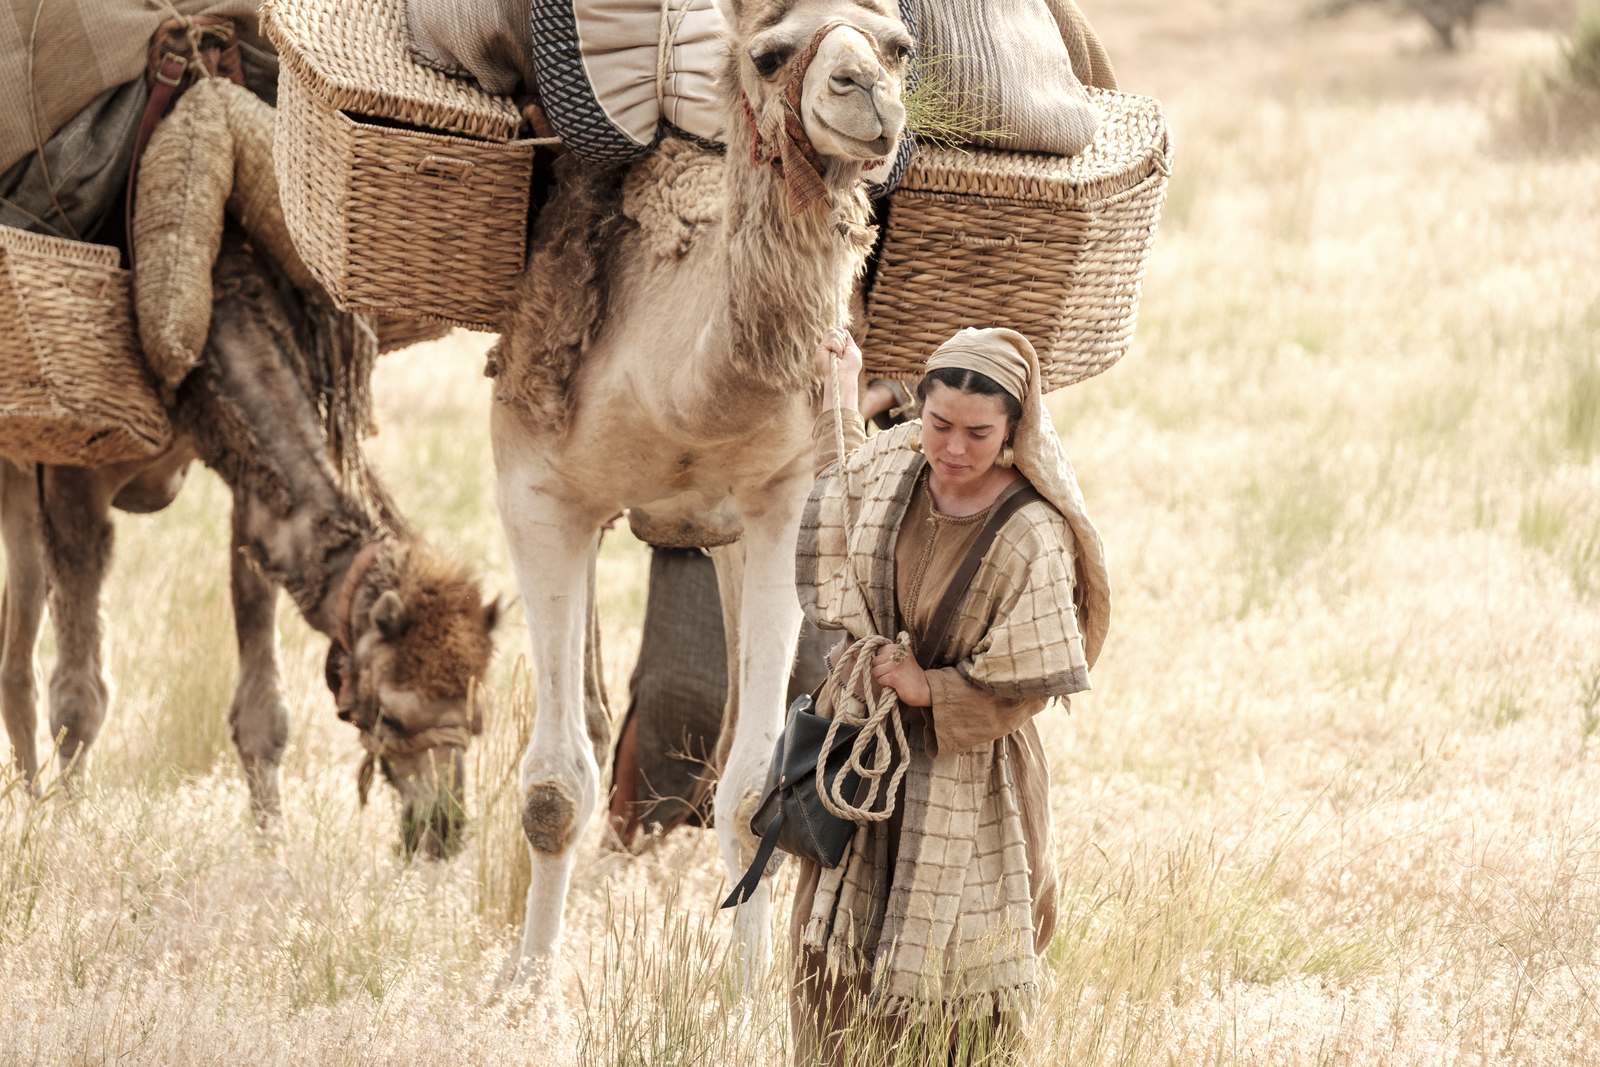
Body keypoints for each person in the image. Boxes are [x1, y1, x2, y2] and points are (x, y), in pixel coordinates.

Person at [790, 326, 1111, 1064]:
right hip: (866, 766)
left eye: (978, 432)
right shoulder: (898, 470)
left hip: (974, 773)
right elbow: (841, 495)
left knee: (958, 995)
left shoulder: (1032, 532)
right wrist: (845, 392)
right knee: (834, 976)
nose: (954, 448)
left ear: (1012, 432)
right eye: (938, 425)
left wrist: (927, 686)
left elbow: (1029, 678)